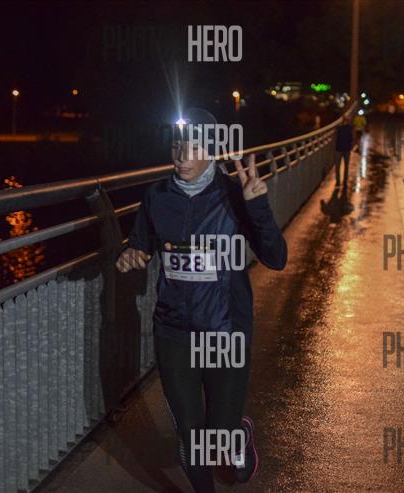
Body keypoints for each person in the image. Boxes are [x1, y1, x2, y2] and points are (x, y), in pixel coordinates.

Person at [116, 108, 287, 492]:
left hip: (225, 329)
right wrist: (132, 254)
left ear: (211, 150)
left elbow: (277, 259)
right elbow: (140, 245)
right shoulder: (157, 196)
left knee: (218, 432)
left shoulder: (234, 195)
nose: (180, 156)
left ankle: (236, 434)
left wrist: (257, 206)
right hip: (173, 329)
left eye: (192, 147)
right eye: (175, 146)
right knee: (192, 435)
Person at [334, 115, 353, 187]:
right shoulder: (349, 128)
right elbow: (351, 139)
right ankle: (344, 181)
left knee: (338, 166)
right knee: (346, 166)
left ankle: (338, 181)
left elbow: (335, 138)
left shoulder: (339, 128)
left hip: (339, 149)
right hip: (346, 149)